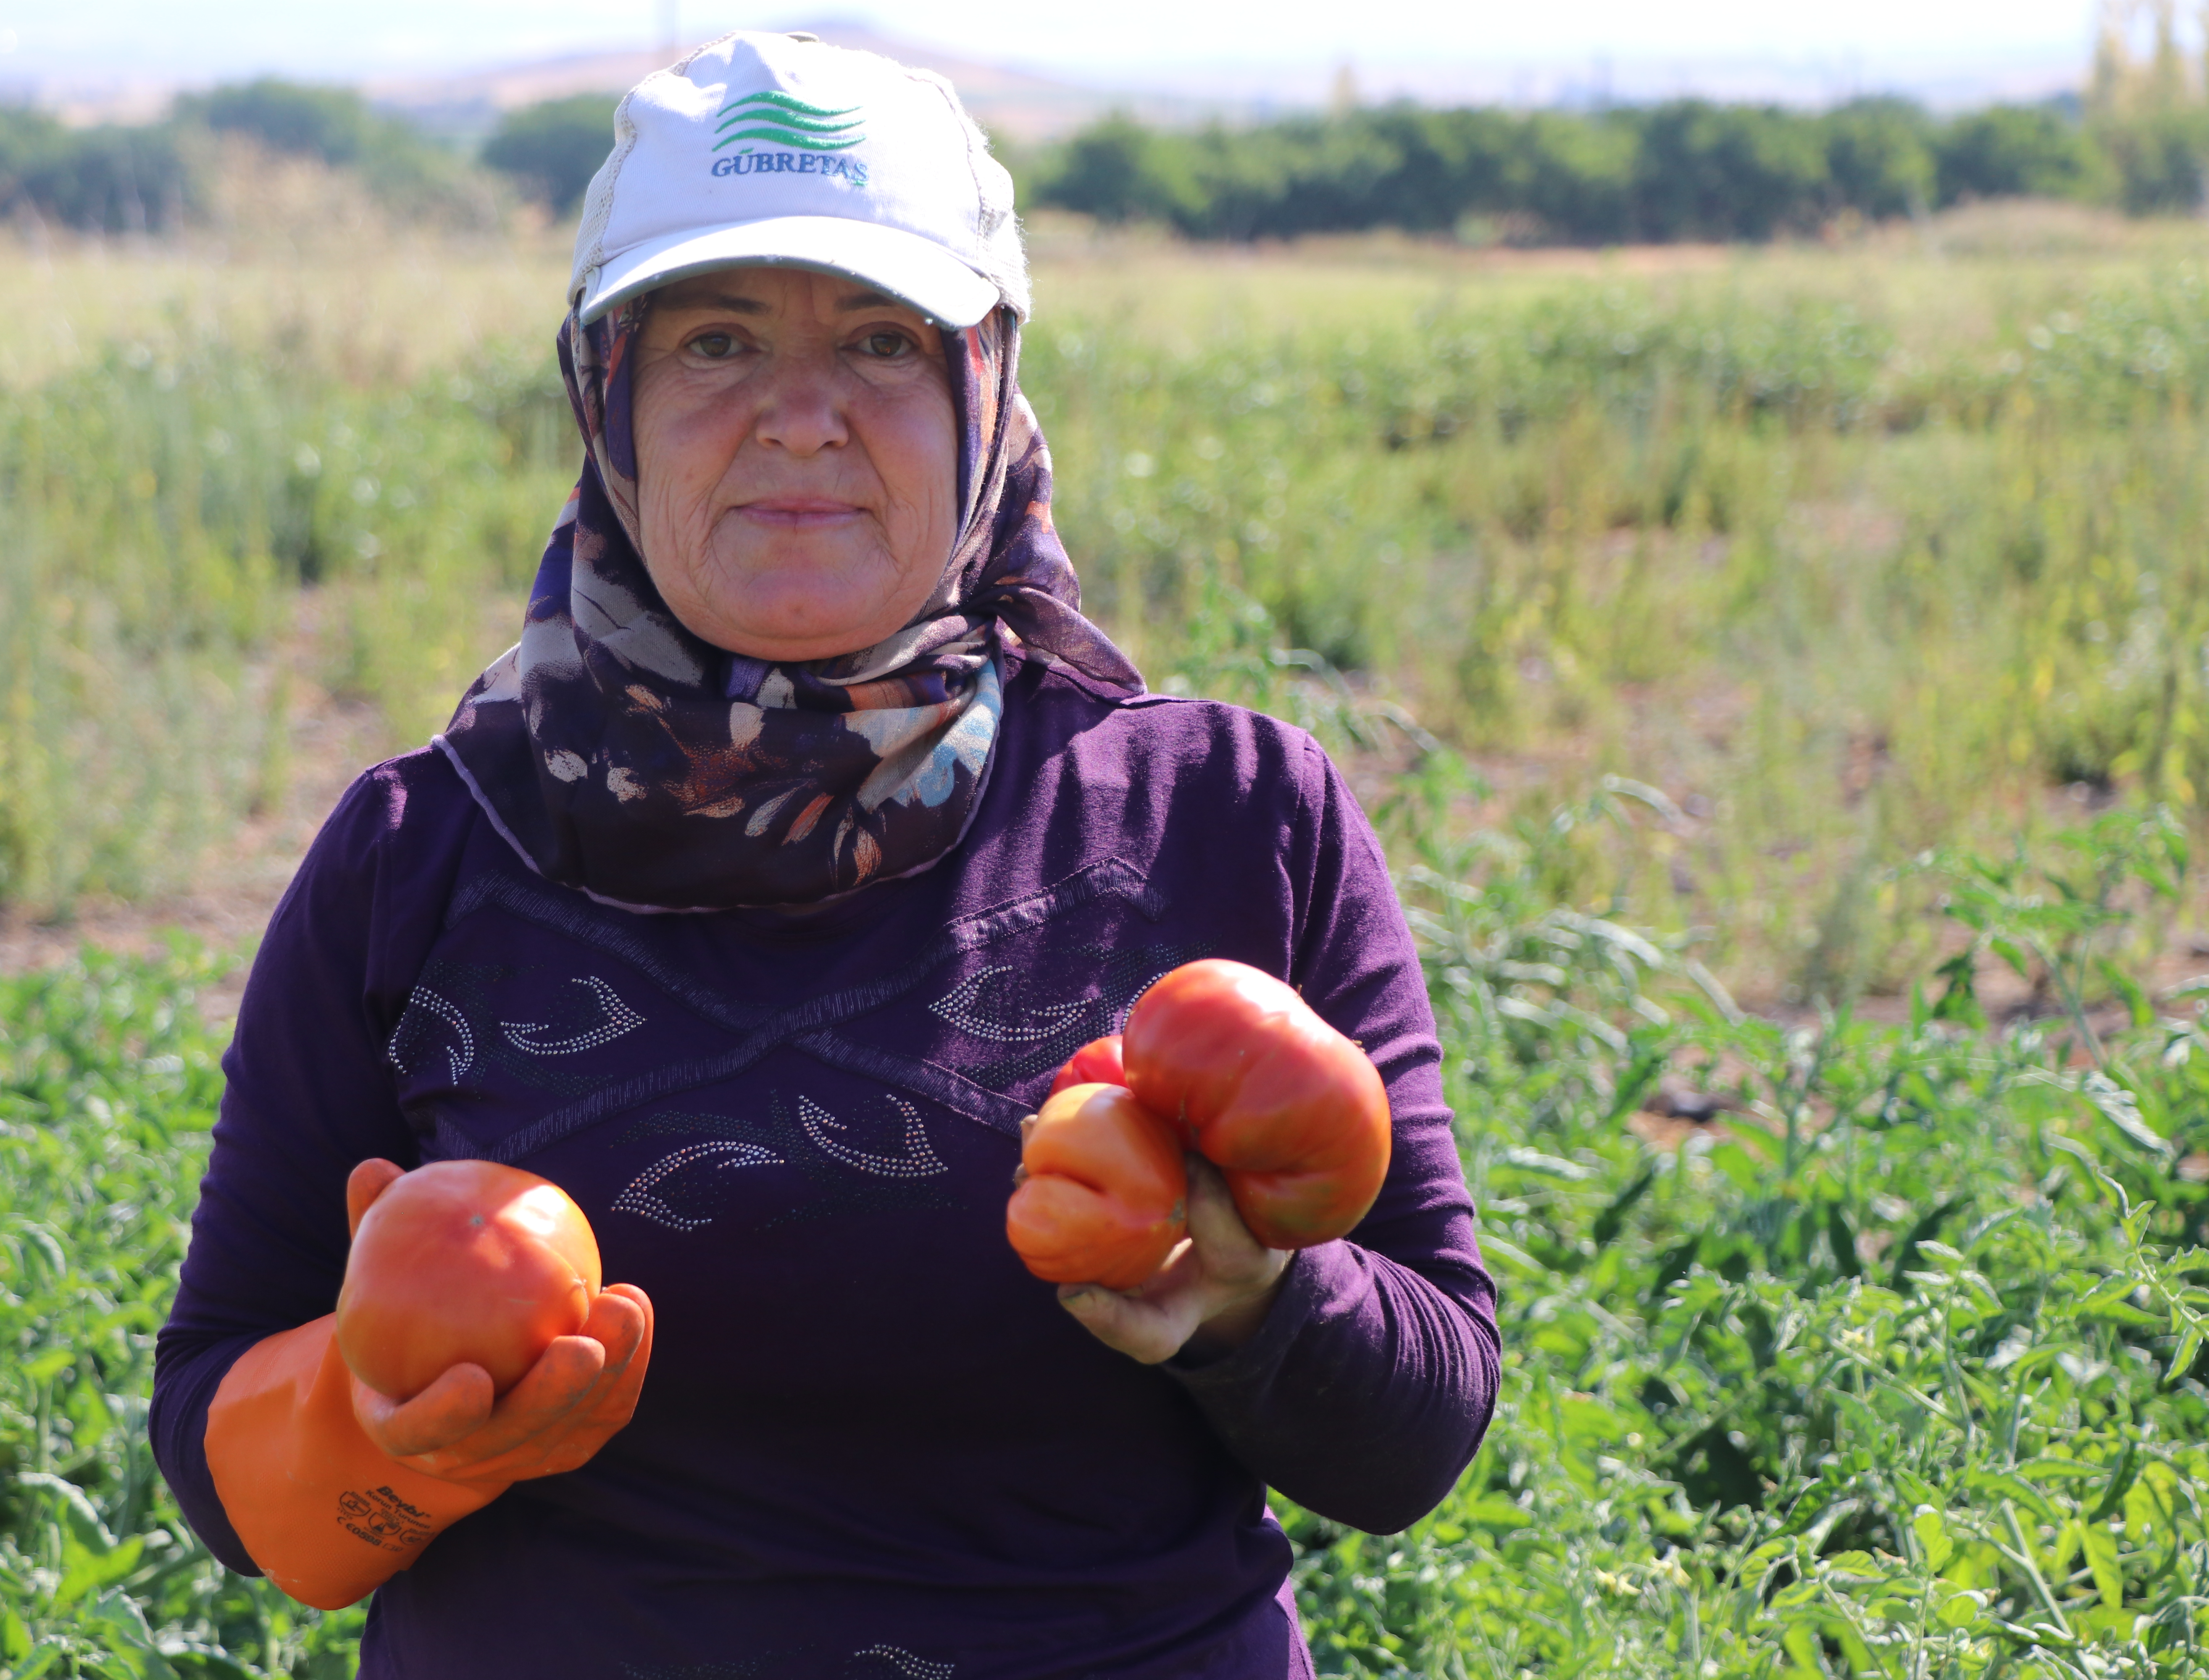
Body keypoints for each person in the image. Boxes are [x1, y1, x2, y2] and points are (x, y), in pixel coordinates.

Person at [151, 30, 1498, 1677]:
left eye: (880, 339)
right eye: (716, 341)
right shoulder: (424, 852)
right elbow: (220, 1442)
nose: (802, 416)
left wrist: (1253, 1300)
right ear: (612, 395)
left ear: (986, 391)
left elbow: (1419, 1433)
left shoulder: (1226, 816)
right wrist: (395, 1434)